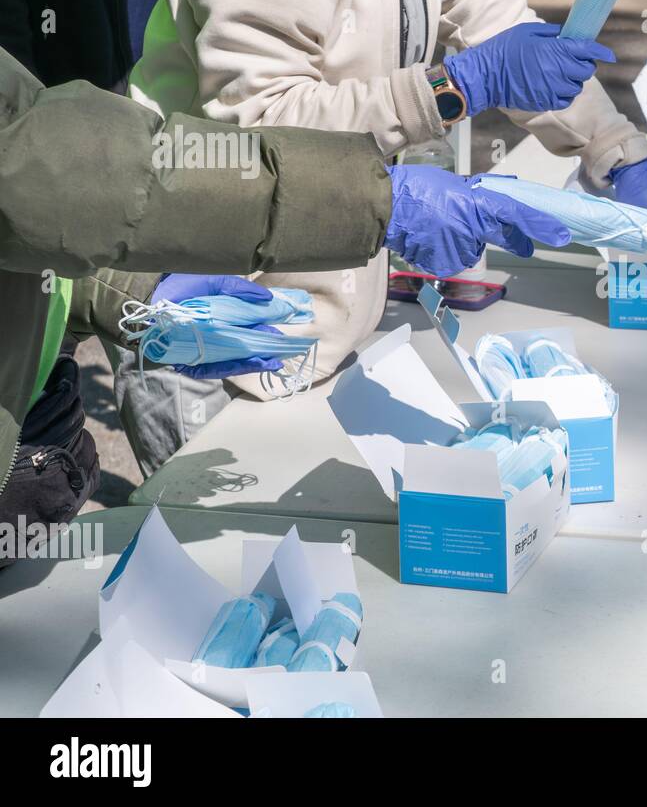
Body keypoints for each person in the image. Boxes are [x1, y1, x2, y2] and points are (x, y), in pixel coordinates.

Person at [123, 0, 647, 471]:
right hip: (214, 319)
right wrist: (451, 90)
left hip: (320, 303)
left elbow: (494, 21)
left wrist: (616, 155)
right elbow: (263, 127)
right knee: (227, 557)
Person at [0, 45, 569, 566]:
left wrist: (131, 290)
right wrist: (377, 196)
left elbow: (31, 203)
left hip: (35, 437)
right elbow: (53, 168)